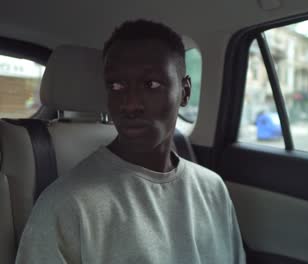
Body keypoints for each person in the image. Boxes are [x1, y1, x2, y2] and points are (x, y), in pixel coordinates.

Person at [15, 20, 246, 264]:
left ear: (185, 92)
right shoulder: (65, 205)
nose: (130, 104)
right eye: (117, 86)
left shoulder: (213, 189)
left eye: (151, 85)